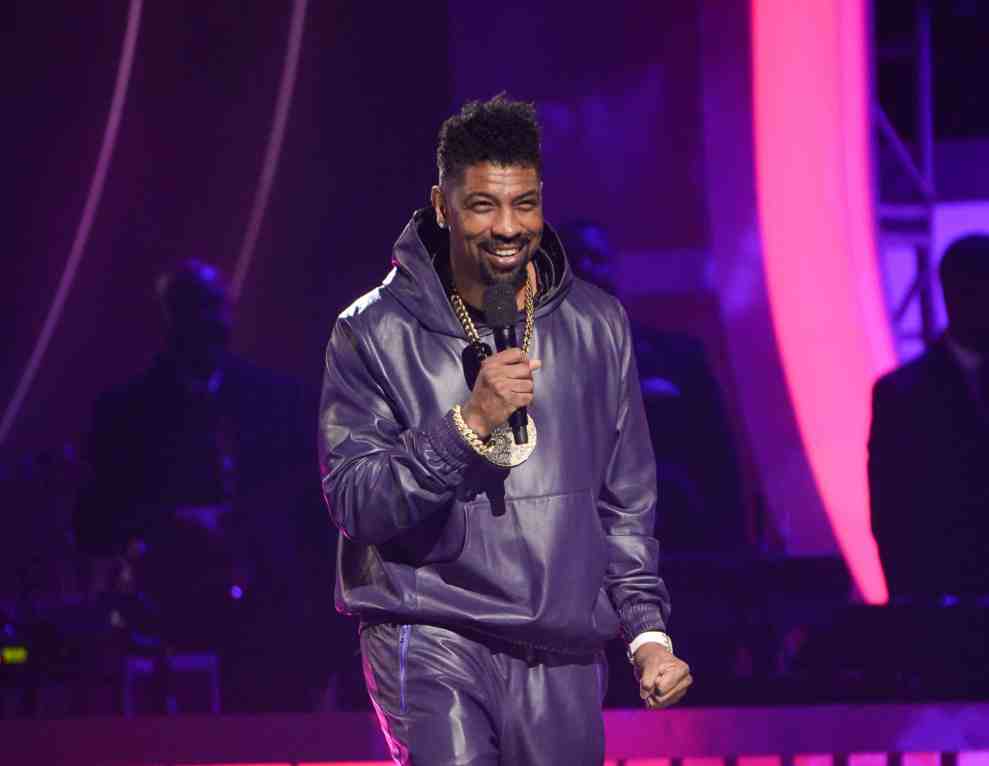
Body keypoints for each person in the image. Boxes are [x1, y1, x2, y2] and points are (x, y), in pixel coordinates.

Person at [319, 95, 691, 765]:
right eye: (482, 205)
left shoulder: (597, 324)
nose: (506, 227)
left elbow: (625, 498)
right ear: (441, 205)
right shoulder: (372, 330)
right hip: (429, 628)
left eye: (523, 204)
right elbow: (356, 503)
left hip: (560, 645)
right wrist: (467, 423)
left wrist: (645, 633)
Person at [74, 260, 336, 712]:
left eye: (215, 309)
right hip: (166, 601)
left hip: (265, 608)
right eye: (192, 311)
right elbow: (99, 514)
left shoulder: (274, 402)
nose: (208, 324)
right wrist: (172, 525)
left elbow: (307, 501)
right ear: (167, 319)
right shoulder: (127, 413)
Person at [869, 234, 989, 602]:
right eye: (975, 287)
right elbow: (891, 512)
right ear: (951, 293)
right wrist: (912, 605)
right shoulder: (902, 394)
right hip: (942, 600)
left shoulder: (902, 390)